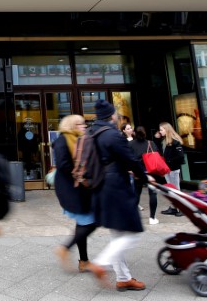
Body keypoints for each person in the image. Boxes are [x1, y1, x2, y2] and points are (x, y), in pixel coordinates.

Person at [85, 99, 148, 292]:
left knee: (117, 235)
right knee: (133, 233)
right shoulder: (112, 135)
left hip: (99, 186)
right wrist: (144, 177)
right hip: (116, 187)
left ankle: (123, 278)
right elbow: (129, 160)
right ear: (112, 115)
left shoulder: (90, 133)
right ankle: (100, 263)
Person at [52, 114, 97, 273]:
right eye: (80, 124)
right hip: (71, 189)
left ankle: (83, 260)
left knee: (83, 224)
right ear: (71, 125)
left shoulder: (79, 139)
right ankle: (65, 248)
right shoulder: (63, 140)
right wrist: (80, 174)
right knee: (90, 222)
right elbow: (63, 164)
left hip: (79, 188)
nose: (84, 126)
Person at [129, 126, 159, 225]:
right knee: (153, 194)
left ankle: (133, 217)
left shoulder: (131, 144)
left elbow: (128, 158)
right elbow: (157, 156)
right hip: (150, 171)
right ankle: (152, 217)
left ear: (134, 133)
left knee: (136, 194)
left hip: (137, 172)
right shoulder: (151, 143)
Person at [157, 122, 185, 217]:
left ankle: (182, 209)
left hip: (173, 169)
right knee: (170, 190)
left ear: (167, 130)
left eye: (161, 130)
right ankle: (173, 208)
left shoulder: (175, 142)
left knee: (176, 190)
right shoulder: (165, 141)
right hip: (167, 170)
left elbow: (180, 157)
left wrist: (168, 161)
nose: (160, 132)